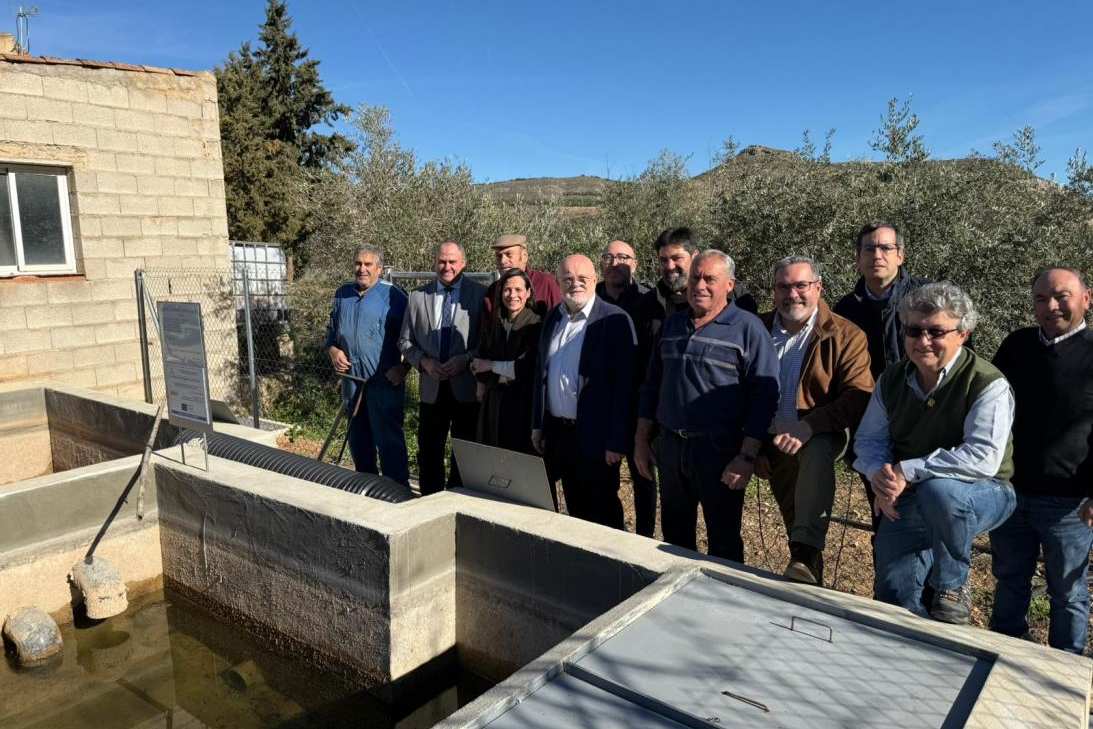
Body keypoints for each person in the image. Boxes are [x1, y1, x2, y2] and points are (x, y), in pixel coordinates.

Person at [854, 282, 1016, 624]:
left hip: (985, 492)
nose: (923, 340)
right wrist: (880, 475)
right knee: (893, 595)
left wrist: (907, 470)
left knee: (939, 490)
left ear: (963, 334)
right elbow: (868, 440)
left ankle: (952, 586)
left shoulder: (986, 383)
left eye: (936, 331)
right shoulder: (892, 379)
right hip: (911, 495)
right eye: (913, 330)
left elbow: (982, 456)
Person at [634, 250, 779, 561]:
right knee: (674, 539)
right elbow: (651, 386)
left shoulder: (748, 329)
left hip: (720, 452)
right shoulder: (672, 326)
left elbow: (764, 398)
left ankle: (723, 593)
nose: (700, 286)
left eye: (710, 279)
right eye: (695, 278)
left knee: (724, 543)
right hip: (671, 448)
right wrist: (642, 440)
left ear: (729, 285)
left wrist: (747, 456)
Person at [990, 266, 1093, 653]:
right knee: (1009, 581)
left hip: (1070, 504)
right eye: (1041, 299)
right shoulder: (1016, 346)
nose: (1051, 306)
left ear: (1086, 299)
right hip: (1011, 494)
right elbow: (989, 408)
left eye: (1062, 297)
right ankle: (1004, 658)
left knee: (1068, 593)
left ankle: (1065, 672)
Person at [757, 256, 874, 584]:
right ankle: (806, 574)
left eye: (801, 285)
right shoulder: (758, 329)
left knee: (816, 450)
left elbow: (858, 395)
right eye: (783, 287)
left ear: (818, 288)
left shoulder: (845, 334)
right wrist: (755, 446)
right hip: (770, 439)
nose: (792, 294)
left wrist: (808, 426)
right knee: (793, 517)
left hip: (819, 433)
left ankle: (806, 555)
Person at [532, 254, 636, 529]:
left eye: (582, 278)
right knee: (575, 508)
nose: (574, 284)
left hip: (597, 437)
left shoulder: (615, 320)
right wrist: (538, 425)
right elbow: (542, 374)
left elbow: (625, 386)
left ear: (595, 280)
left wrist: (617, 441)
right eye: (567, 279)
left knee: (603, 513)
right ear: (558, 282)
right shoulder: (553, 317)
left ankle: (613, 557)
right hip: (559, 433)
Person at [398, 241, 487, 495]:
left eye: (452, 262)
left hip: (466, 388)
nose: (447, 267)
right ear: (435, 263)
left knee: (465, 454)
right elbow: (404, 341)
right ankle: (430, 502)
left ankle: (459, 501)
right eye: (442, 261)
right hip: (431, 388)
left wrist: (465, 360)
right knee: (429, 451)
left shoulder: (480, 295)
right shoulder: (417, 297)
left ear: (463, 263)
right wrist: (424, 362)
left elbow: (486, 343)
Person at [325, 245, 410, 485]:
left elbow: (413, 339)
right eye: (358, 263)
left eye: (368, 264)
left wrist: (403, 368)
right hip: (352, 382)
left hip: (383, 382)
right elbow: (331, 333)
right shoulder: (342, 294)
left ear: (379, 269)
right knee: (358, 439)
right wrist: (333, 351)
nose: (362, 269)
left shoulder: (395, 297)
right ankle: (366, 489)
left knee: (389, 442)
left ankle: (397, 492)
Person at [595, 240, 656, 537]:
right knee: (602, 479)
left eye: (623, 257)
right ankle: (610, 535)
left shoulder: (647, 301)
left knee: (643, 476)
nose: (615, 262)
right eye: (609, 257)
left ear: (635, 264)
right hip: (600, 405)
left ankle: (644, 539)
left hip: (638, 404)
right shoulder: (591, 297)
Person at [471, 268, 543, 455]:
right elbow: (479, 362)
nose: (512, 295)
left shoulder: (535, 324)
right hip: (493, 404)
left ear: (528, 293)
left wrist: (491, 366)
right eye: (507, 290)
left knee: (517, 458)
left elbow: (527, 368)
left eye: (518, 290)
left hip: (521, 405)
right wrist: (491, 373)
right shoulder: (495, 323)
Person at [481, 234, 562, 319]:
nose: (502, 261)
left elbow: (559, 319)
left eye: (509, 255)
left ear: (524, 256)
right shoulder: (493, 290)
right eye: (499, 256)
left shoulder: (546, 283)